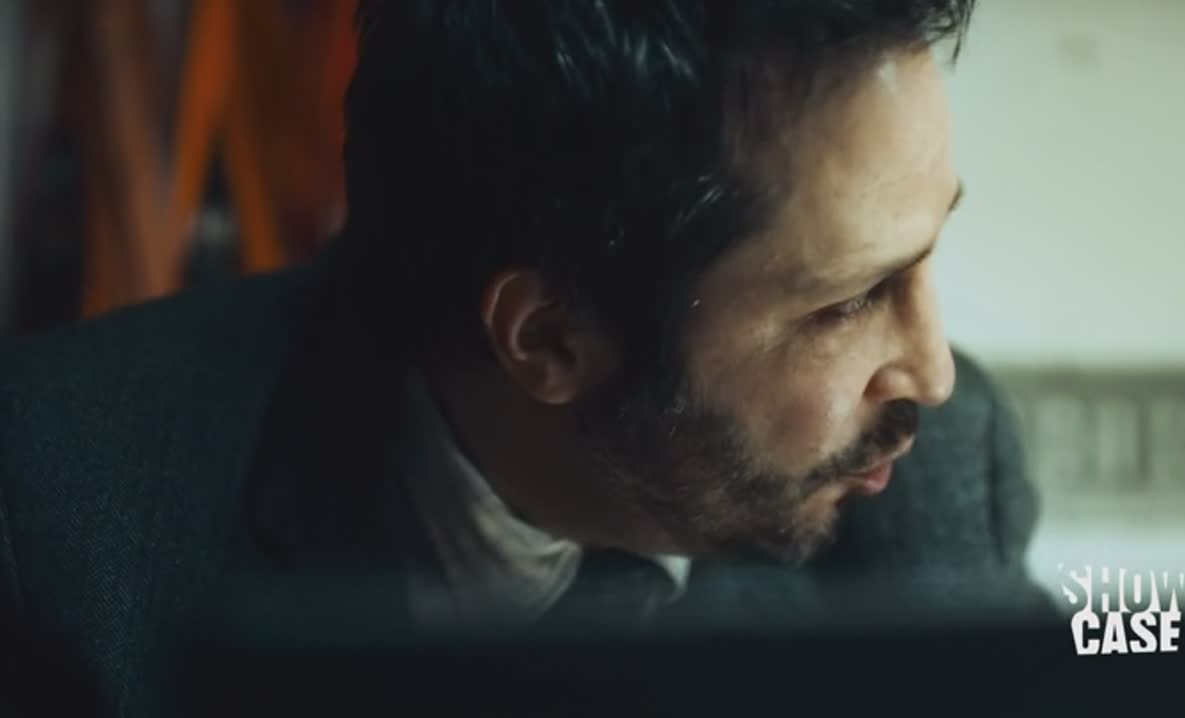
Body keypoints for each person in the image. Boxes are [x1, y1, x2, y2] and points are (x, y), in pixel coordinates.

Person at [0, 1, 1044, 715]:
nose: (934, 374)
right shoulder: (57, 527)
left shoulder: (940, 481)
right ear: (548, 339)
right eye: (849, 301)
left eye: (925, 255)